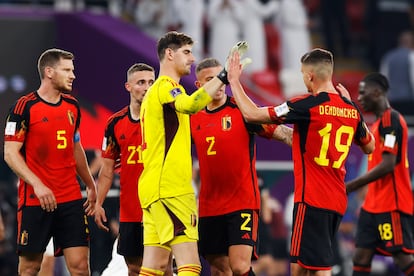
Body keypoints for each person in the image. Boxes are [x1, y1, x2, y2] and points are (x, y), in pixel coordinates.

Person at [227, 48, 375, 276]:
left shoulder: (306, 104)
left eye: (302, 73)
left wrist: (234, 82)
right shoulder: (351, 109)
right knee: (303, 265)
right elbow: (369, 146)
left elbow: (252, 114)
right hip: (336, 201)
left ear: (310, 76)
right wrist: (350, 104)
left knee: (316, 269)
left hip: (311, 199)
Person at [138, 31, 245, 276]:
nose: (192, 58)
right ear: (169, 54)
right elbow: (189, 105)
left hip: (152, 188)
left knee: (153, 267)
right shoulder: (166, 87)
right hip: (171, 189)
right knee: (190, 265)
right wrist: (223, 75)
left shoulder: (152, 94)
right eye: (186, 52)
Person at [190, 58, 292, 276]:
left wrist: (310, 140)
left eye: (222, 77)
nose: (219, 83)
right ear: (200, 86)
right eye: (211, 79)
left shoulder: (242, 110)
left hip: (242, 202)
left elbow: (282, 134)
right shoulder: (191, 118)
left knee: (240, 267)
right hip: (209, 205)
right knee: (218, 269)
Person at [3, 48, 97, 276]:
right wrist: (37, 184)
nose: (73, 75)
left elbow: (76, 148)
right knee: (30, 268)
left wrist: (90, 184)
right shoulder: (23, 107)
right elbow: (10, 153)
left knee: (80, 267)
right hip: (36, 200)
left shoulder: (73, 107)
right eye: (67, 70)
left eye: (72, 70)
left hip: (70, 198)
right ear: (49, 72)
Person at [94, 62, 171, 276]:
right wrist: (98, 203)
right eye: (141, 82)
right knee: (134, 269)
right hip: (130, 210)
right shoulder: (114, 123)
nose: (147, 87)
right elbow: (107, 170)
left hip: (161, 206)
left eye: (151, 82)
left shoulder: (168, 118)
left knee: (163, 268)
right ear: (128, 86)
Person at [342, 73, 414, 276]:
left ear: (377, 92)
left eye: (363, 93)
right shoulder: (376, 125)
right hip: (371, 207)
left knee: (401, 257)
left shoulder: (392, 120)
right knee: (361, 257)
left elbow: (389, 164)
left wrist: (351, 186)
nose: (360, 97)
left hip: (391, 204)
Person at [380, 30, 414, 115]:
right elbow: (412, 77)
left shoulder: (388, 56)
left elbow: (383, 78)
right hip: (409, 98)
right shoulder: (411, 55)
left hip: (393, 99)